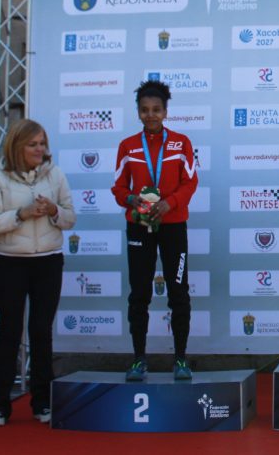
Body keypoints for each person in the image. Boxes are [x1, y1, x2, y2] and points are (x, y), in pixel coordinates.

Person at [0, 119, 76, 426]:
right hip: (10, 262)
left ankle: (42, 402)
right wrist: (21, 214)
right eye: (33, 144)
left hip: (48, 261)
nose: (39, 149)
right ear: (17, 146)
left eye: (42, 143)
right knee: (9, 331)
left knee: (41, 331)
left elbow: (70, 218)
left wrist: (54, 211)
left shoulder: (55, 174)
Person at [112, 80, 198, 381]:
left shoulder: (181, 143)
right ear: (138, 112)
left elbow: (190, 182)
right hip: (139, 226)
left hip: (173, 226)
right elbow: (118, 187)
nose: (151, 115)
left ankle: (181, 359)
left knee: (179, 293)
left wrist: (169, 203)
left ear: (165, 112)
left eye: (156, 110)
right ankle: (139, 360)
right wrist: (131, 199)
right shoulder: (128, 146)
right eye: (145, 110)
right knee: (139, 294)